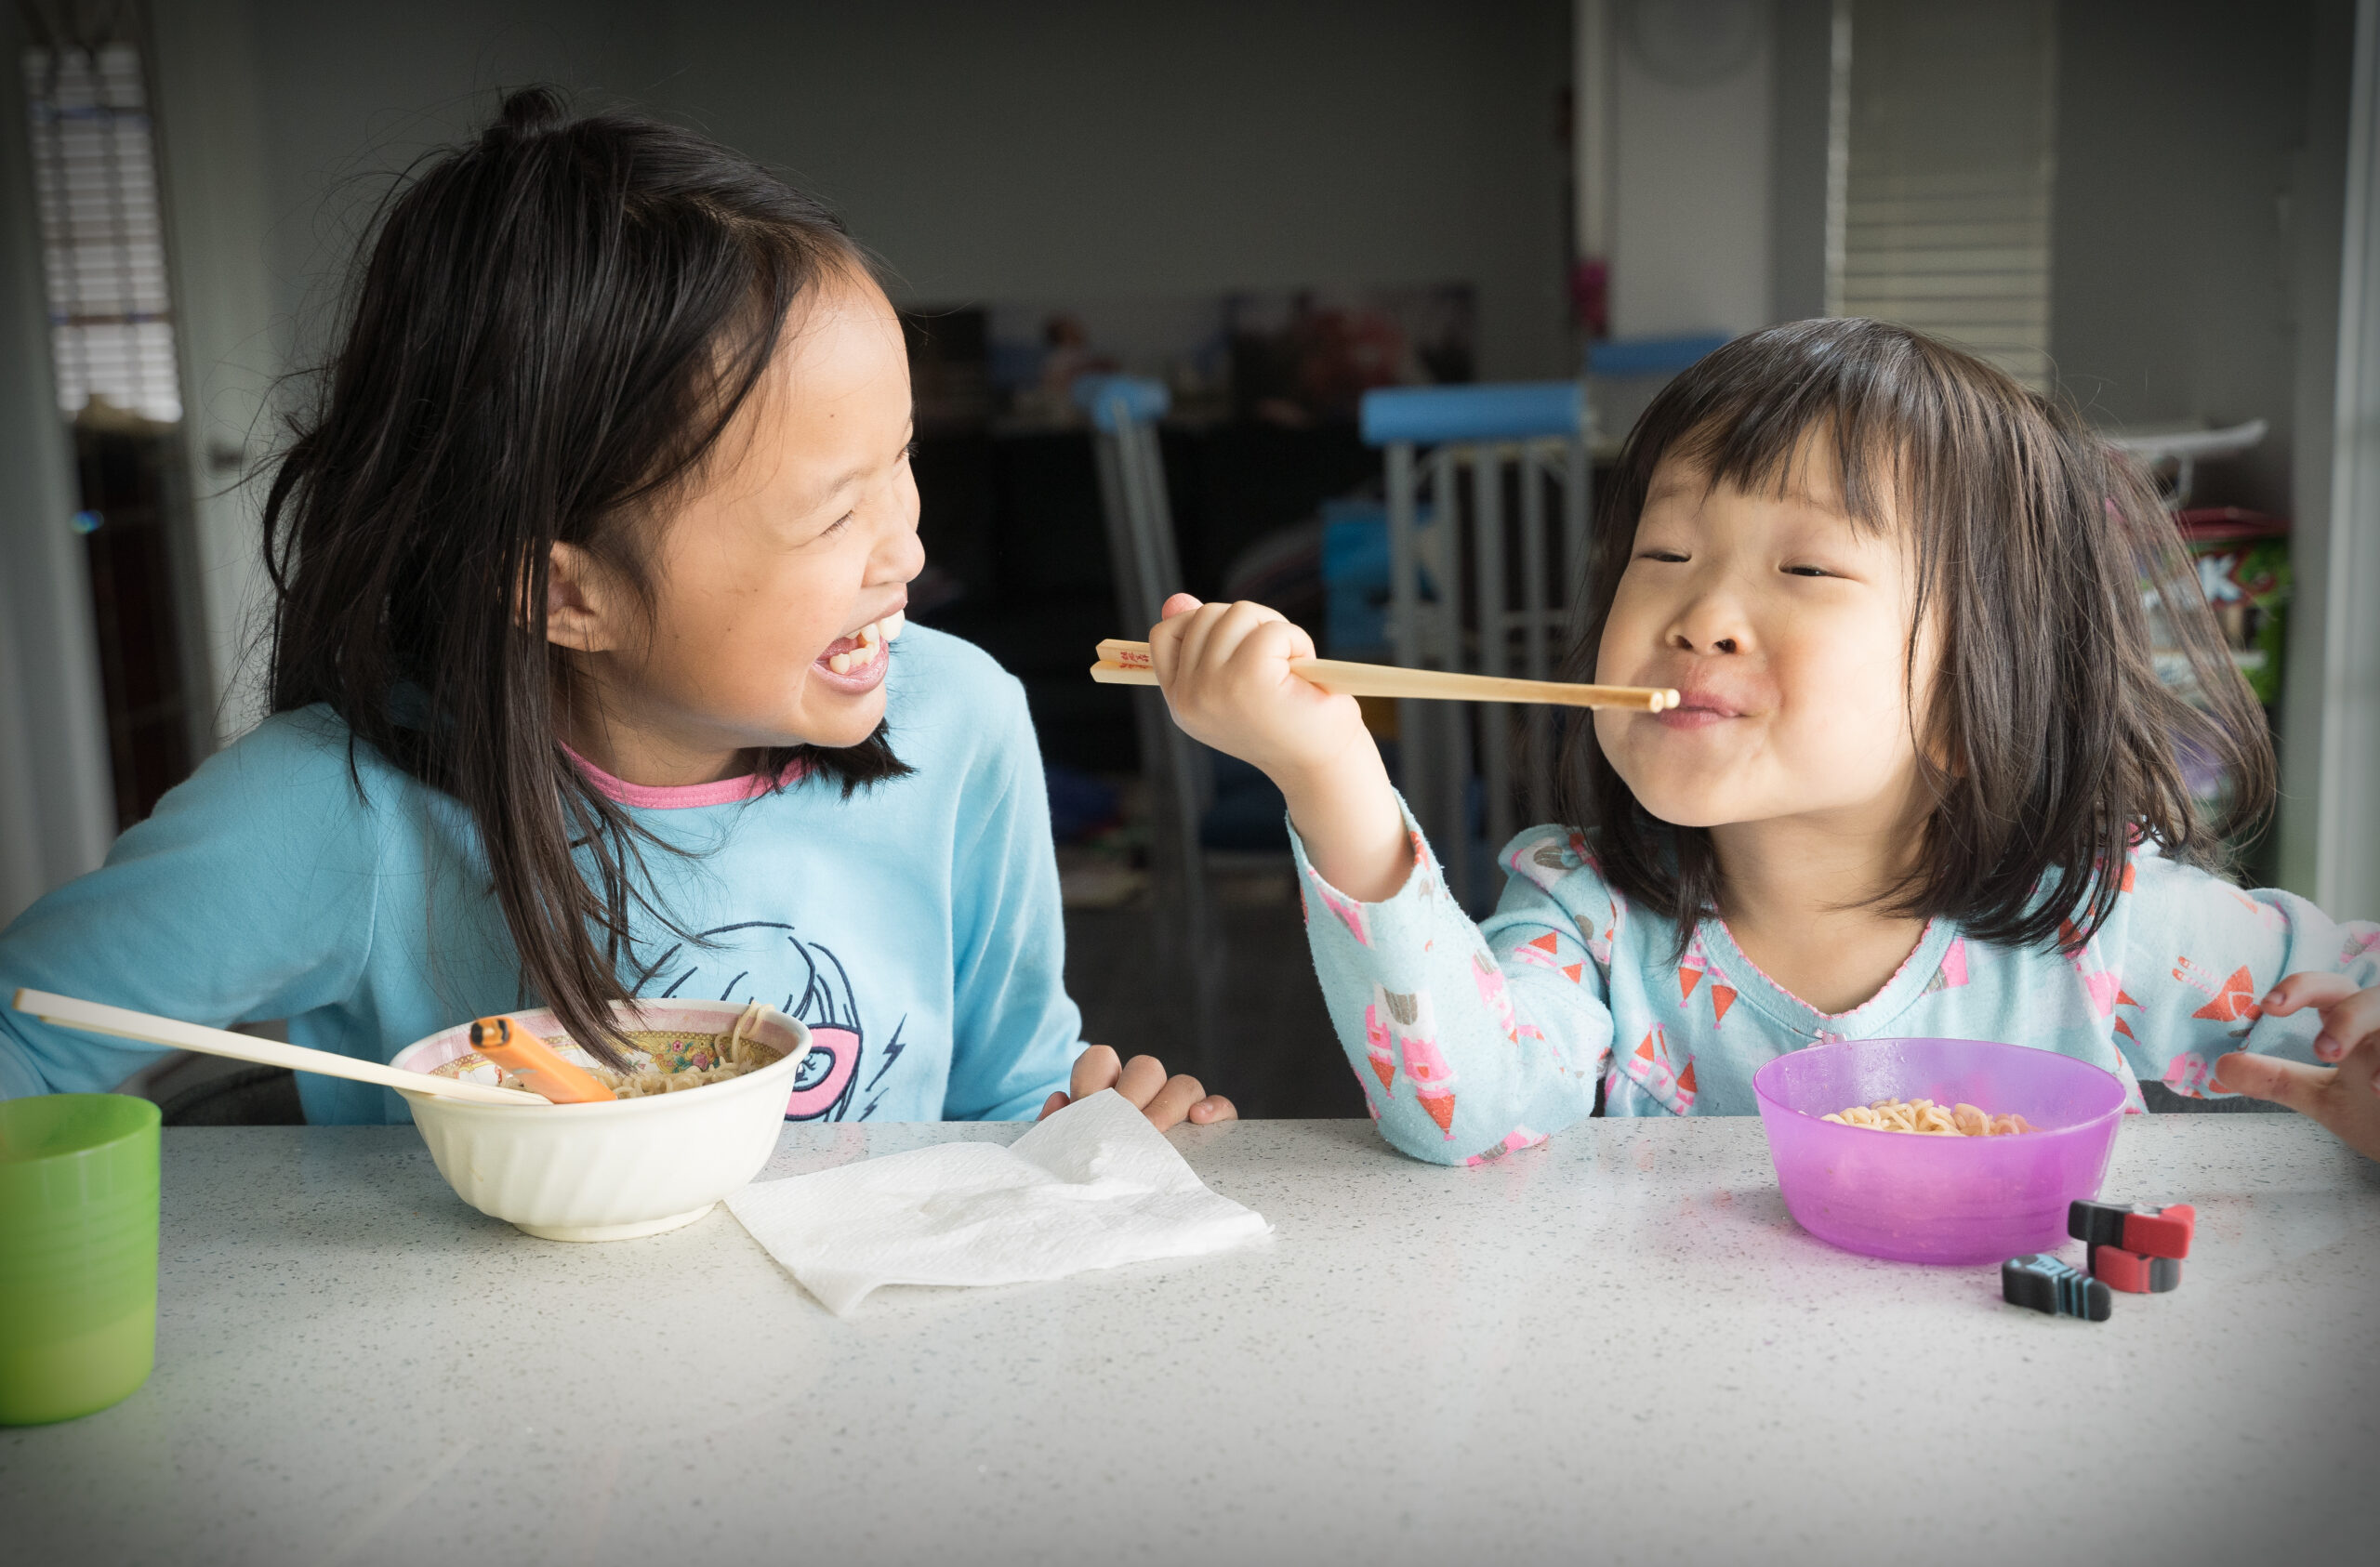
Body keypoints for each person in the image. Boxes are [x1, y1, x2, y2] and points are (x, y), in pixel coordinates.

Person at [0, 90, 1230, 1131]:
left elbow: (1005, 1091)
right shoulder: (340, 815)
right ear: (563, 589)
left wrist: (1078, 1141)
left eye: (903, 464)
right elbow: (36, 1034)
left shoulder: (962, 722)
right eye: (830, 514)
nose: (907, 548)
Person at [1149, 319, 2376, 1164]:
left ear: (1975, 691)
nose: (1703, 616)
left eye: (1803, 566)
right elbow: (1462, 1107)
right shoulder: (1592, 917)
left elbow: (2355, 1001)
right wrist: (1327, 769)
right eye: (1666, 556)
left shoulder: (2098, 921)